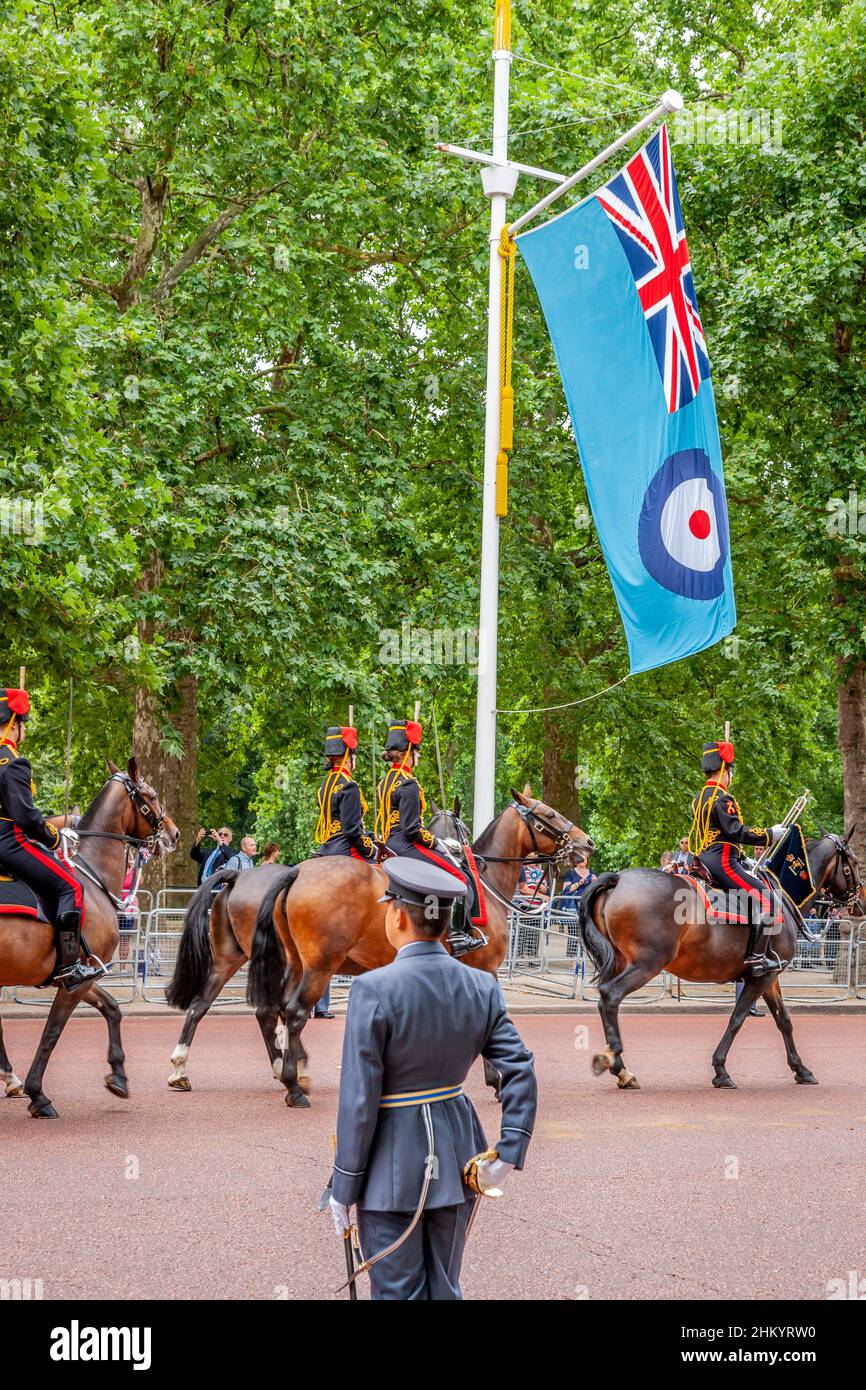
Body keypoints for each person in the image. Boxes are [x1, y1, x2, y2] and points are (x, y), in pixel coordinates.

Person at [328, 855, 537, 1300]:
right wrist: (509, 1149)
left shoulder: (372, 988)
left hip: (391, 1170)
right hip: (459, 1159)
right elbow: (518, 1068)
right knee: (444, 1288)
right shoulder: (481, 985)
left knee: (397, 1294)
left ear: (399, 915)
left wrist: (344, 1184)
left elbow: (359, 1100)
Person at [0, 687, 103, 991]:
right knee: (70, 885)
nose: (24, 731)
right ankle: (70, 968)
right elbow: (27, 819)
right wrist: (54, 838)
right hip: (9, 843)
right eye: (23, 725)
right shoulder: (13, 761)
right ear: (13, 724)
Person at [375, 719, 482, 957]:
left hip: (389, 842)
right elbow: (412, 828)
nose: (418, 757)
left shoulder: (385, 782)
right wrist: (437, 842)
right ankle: (457, 935)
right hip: (406, 843)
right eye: (416, 753)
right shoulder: (409, 783)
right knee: (458, 876)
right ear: (406, 755)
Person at [689, 740, 787, 975]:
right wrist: (769, 834)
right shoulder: (723, 798)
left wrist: (744, 858)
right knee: (769, 901)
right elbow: (736, 832)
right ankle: (757, 959)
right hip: (723, 862)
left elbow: (719, 835)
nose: (731, 776)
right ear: (725, 771)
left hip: (707, 857)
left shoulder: (699, 798)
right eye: (730, 771)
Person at [314, 726, 378, 862]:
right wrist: (372, 851)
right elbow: (352, 831)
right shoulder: (349, 786)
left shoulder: (324, 786)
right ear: (349, 758)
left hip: (326, 849)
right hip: (347, 850)